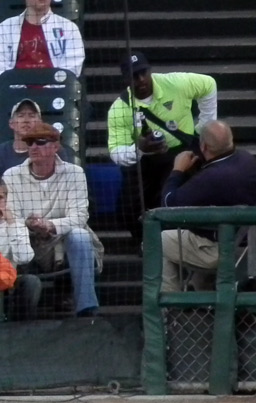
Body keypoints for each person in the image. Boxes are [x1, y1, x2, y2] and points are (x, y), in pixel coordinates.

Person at [108, 51, 217, 240]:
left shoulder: (176, 83)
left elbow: (209, 84)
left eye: (144, 73)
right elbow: (116, 152)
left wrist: (204, 128)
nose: (141, 80)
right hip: (144, 159)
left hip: (179, 152)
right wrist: (141, 148)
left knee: (172, 194)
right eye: (134, 76)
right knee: (128, 205)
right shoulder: (118, 109)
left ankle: (176, 238)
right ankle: (144, 241)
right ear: (125, 79)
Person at [2, 122, 103, 317]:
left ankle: (87, 309)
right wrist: (30, 224)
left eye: (40, 142)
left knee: (80, 235)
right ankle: (12, 309)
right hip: (29, 240)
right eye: (29, 142)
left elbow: (80, 217)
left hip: (62, 240)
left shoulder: (74, 173)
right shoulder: (11, 176)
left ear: (56, 146)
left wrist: (50, 225)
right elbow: (10, 217)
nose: (33, 147)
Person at [159, 121, 256, 292]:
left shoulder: (211, 178)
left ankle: (168, 309)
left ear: (203, 147)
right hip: (247, 247)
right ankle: (198, 291)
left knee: (157, 241)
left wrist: (177, 171)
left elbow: (168, 206)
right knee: (196, 233)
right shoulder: (247, 159)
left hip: (222, 251)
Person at [0, 175, 41, 320]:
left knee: (31, 282)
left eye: (0, 198)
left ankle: (20, 330)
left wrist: (11, 223)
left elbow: (24, 258)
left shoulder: (16, 225)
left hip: (7, 283)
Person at [0, 0, 85, 82]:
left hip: (55, 93)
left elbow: (72, 68)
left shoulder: (69, 28)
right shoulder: (5, 28)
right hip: (15, 94)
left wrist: (51, 87)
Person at [0, 99, 75, 178]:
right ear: (11, 123)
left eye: (32, 116)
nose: (26, 120)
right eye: (20, 116)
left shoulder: (54, 150)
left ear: (40, 123)